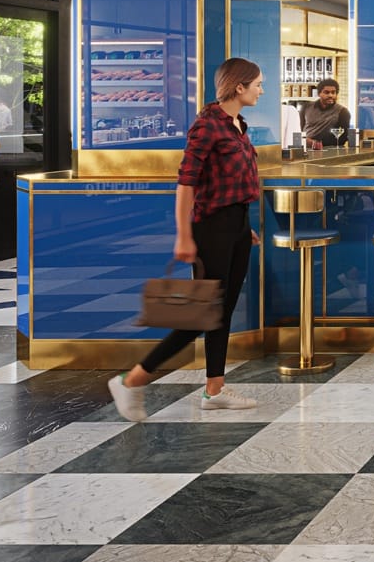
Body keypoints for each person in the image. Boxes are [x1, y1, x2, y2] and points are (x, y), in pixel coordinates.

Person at [108, 58, 264, 421]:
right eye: (258, 84)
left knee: (222, 312)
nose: (262, 90)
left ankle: (215, 390)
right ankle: (132, 380)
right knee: (201, 313)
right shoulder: (207, 125)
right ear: (239, 86)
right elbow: (186, 183)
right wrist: (183, 235)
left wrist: (243, 226)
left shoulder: (239, 124)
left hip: (237, 225)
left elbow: (230, 182)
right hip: (211, 229)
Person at [300, 77, 351, 147]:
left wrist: (315, 143)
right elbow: (299, 129)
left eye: (333, 92)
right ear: (319, 93)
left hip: (327, 149)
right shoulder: (306, 107)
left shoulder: (343, 112)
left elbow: (343, 138)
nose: (330, 95)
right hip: (305, 147)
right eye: (326, 92)